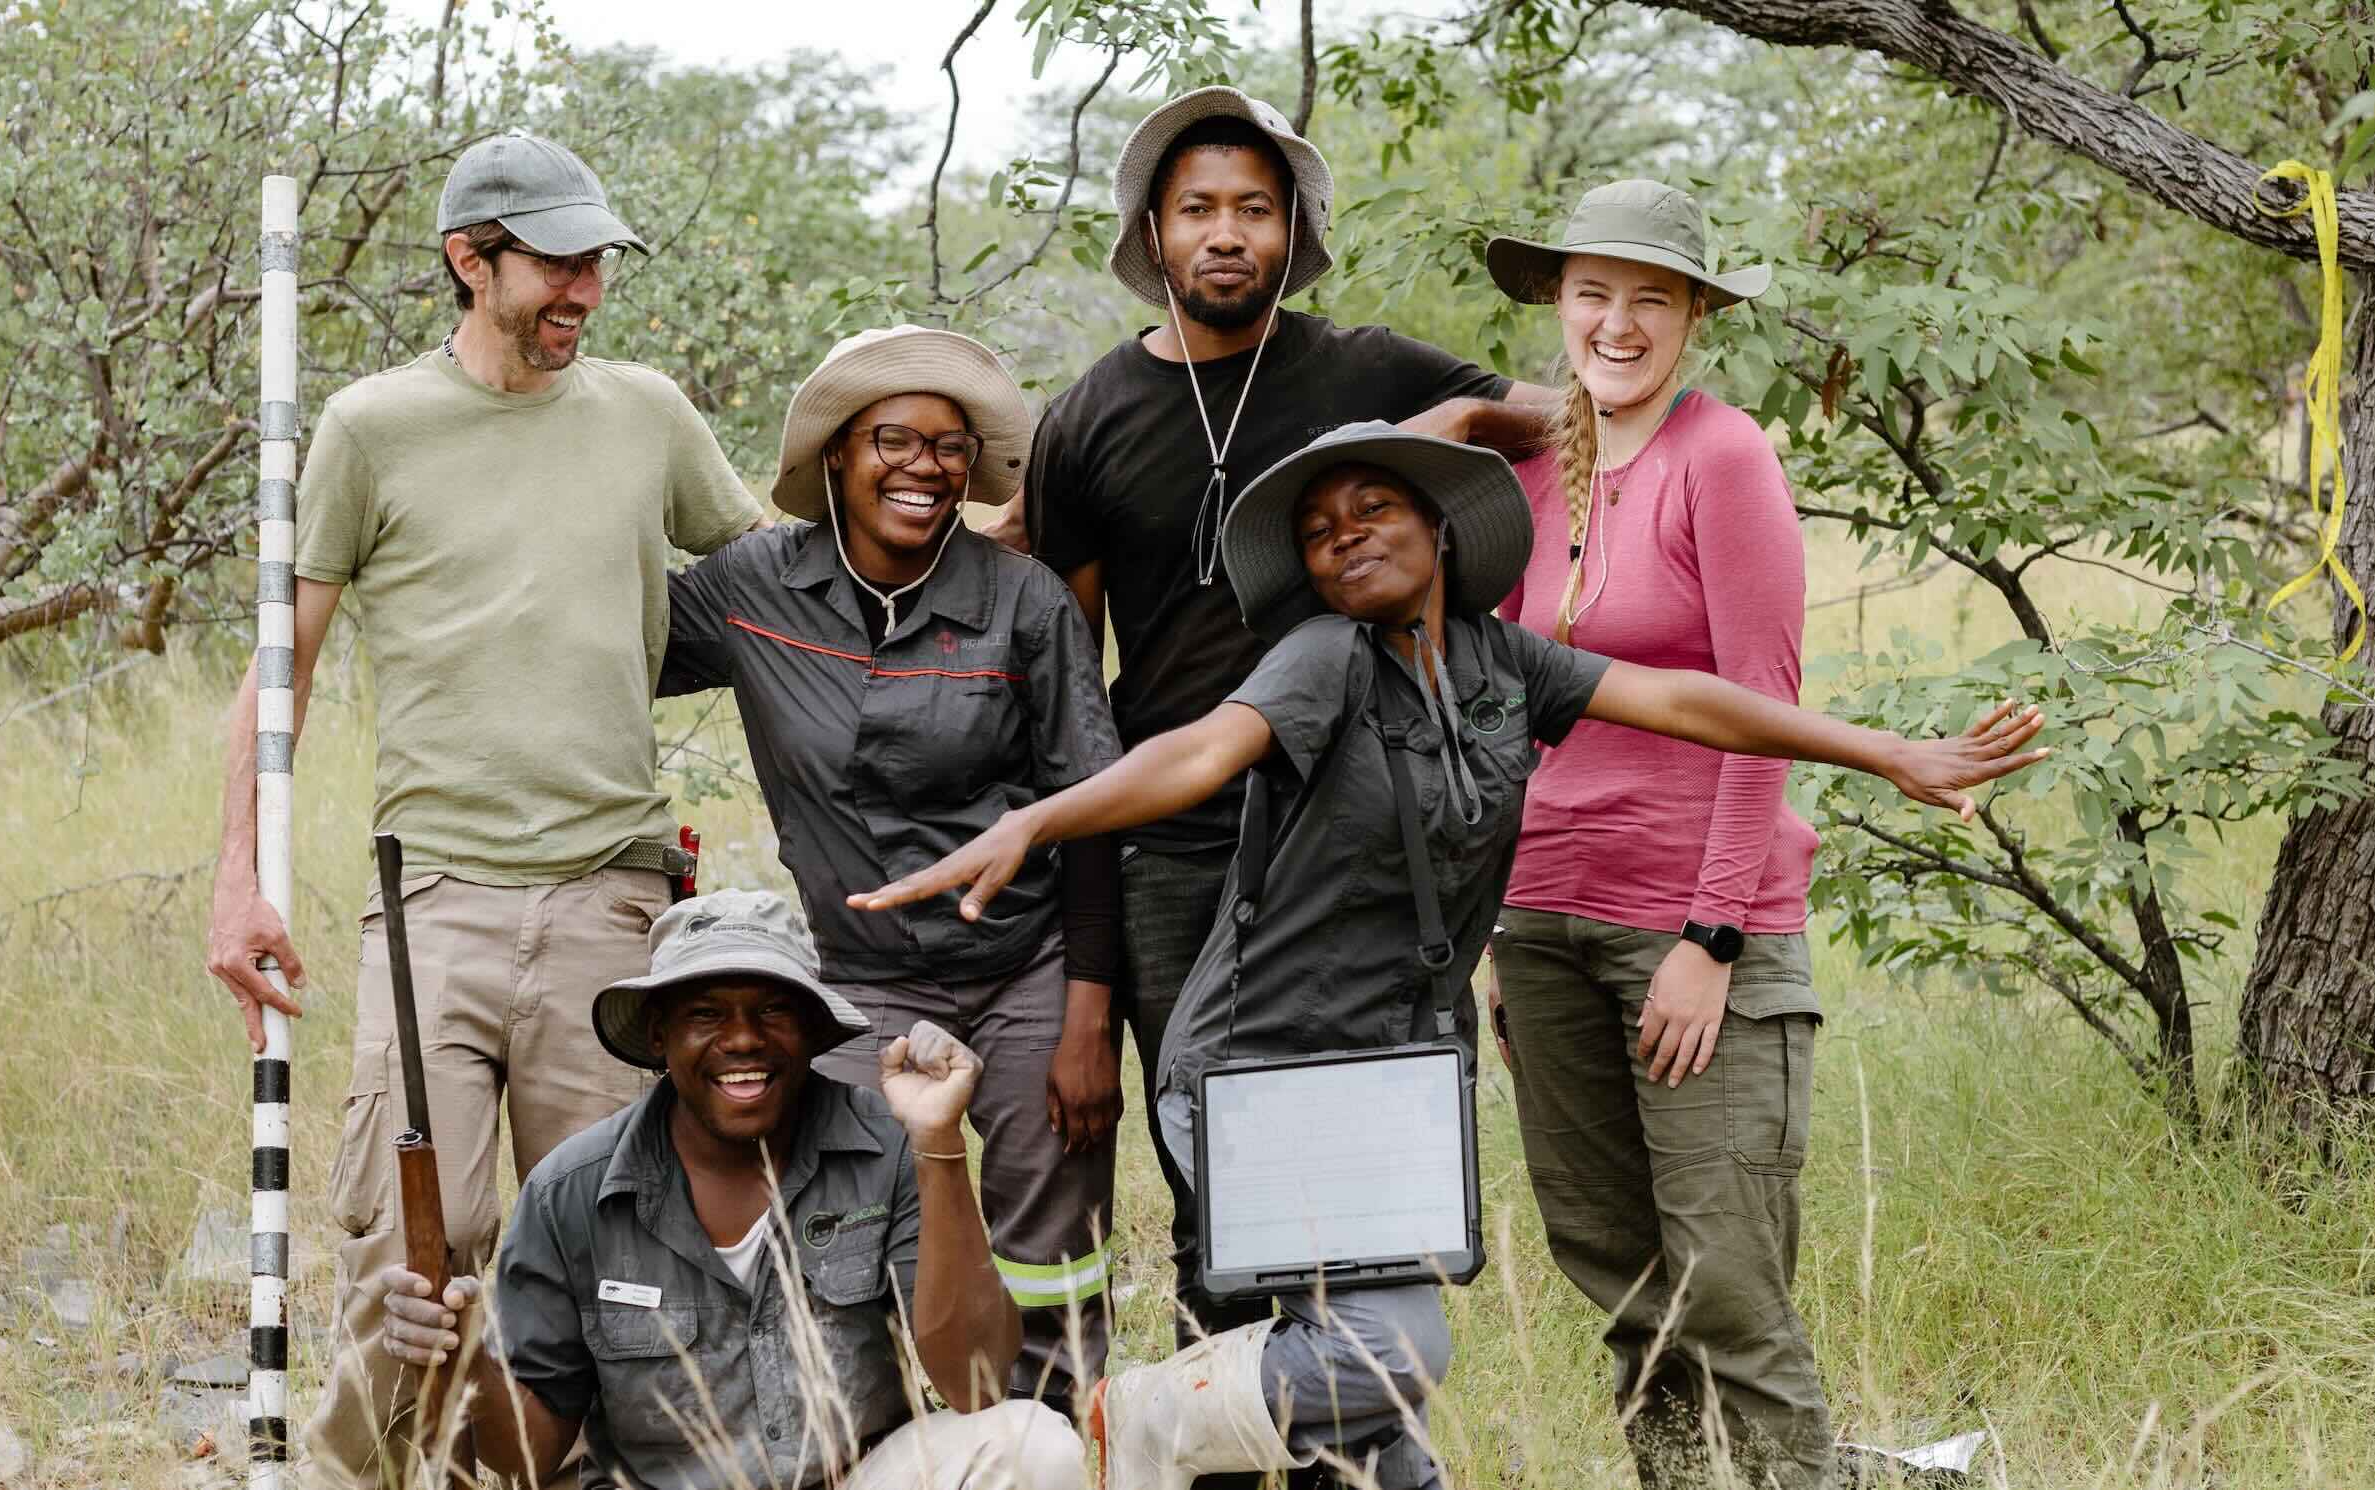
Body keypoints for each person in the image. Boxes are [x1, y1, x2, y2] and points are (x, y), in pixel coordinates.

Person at [853, 422, 2048, 1490]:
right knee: (1390, 1346)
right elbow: (1203, 751)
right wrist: (1037, 821)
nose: (1344, 536)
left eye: (1373, 507)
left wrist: (1885, 750)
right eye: (1318, 530)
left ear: (1440, 528)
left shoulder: (1504, 663)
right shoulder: (1324, 657)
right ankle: (1134, 1418)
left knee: (1372, 1383)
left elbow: (1692, 702)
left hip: (1398, 1074)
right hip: (1260, 1065)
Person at [200, 130, 763, 1485]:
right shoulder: (371, 428)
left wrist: (978, 534)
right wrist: (236, 879)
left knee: (612, 1263)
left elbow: (781, 575)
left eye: (597, 265)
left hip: (612, 898)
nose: (584, 291)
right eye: (557, 265)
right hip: (432, 906)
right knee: (413, 1258)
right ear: (470, 259)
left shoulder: (647, 414)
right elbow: (282, 664)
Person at [1013, 83, 1554, 1348]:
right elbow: (1072, 701)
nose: (1226, 232)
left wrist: (1468, 416)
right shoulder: (1085, 419)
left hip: (1350, 830)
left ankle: (1355, 1409)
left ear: (1292, 228)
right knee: (1215, 1173)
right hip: (1176, 841)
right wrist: (1086, 973)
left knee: (1357, 1169)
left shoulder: (1365, 367)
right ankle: (1224, 1411)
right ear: (1154, 233)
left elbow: (1572, 411)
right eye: (1198, 207)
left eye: (1255, 208)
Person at [655, 325, 1123, 1411]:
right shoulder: (755, 588)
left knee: (1052, 1252)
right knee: (849, 1236)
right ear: (837, 454)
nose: (925, 467)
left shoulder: (1024, 600)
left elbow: (1094, 811)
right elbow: (608, 641)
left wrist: (1089, 1022)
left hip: (1028, 971)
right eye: (894, 440)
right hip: (857, 982)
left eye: (951, 447)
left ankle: (1053, 1446)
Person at [1478, 178, 1863, 1488]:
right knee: (1620, 1274)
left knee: (1727, 1285)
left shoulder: (1724, 456)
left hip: (1689, 924)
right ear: (1559, 302)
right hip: (1542, 921)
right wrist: (1495, 931)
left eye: (1653, 297)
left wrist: (1711, 937)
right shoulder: (1531, 469)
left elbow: (1763, 710)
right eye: (1594, 292)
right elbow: (1500, 706)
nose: (1619, 323)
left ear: (1697, 314)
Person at [366, 891, 1086, 1490]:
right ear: (658, 1036)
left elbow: (976, 1384)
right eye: (706, 1014)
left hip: (861, 1477)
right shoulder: (570, 1192)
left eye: (772, 1011)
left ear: (811, 1030)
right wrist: (460, 1357)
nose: (742, 1040)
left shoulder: (885, 1143)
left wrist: (939, 1145)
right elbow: (526, 1458)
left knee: (1035, 1444)